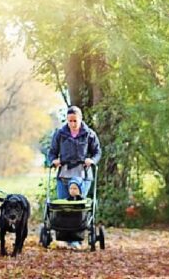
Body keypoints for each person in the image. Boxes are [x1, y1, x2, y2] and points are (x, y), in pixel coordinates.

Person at [47, 106, 101, 249]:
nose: (72, 124)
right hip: (64, 174)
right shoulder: (60, 134)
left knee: (78, 208)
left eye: (75, 121)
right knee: (64, 207)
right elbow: (52, 152)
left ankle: (76, 240)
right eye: (69, 121)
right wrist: (53, 161)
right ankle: (65, 237)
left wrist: (92, 160)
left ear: (80, 119)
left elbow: (97, 152)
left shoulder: (89, 134)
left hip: (82, 176)